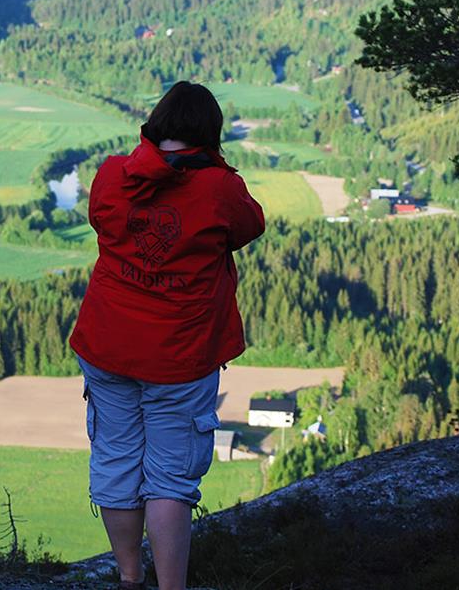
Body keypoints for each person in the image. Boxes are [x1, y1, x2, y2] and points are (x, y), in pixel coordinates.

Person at [69, 81, 265, 590]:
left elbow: (99, 220)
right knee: (170, 478)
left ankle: (130, 578)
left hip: (108, 347)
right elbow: (249, 226)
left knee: (115, 461)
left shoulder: (113, 175)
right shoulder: (221, 188)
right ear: (209, 135)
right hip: (181, 356)